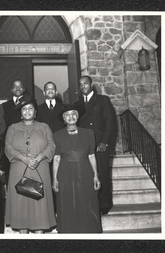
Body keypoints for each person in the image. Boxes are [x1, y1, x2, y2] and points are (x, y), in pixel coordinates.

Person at [4, 95, 56, 233]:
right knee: (20, 204)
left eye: (30, 108)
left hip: (40, 169)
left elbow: (51, 145)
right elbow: (8, 147)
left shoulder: (44, 127)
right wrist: (23, 158)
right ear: (20, 113)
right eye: (24, 109)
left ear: (35, 112)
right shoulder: (12, 128)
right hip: (18, 169)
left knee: (39, 205)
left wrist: (39, 157)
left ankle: (39, 234)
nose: (27, 111)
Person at [52, 104, 102, 233]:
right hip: (65, 172)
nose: (71, 117)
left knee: (87, 200)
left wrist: (96, 175)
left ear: (78, 117)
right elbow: (56, 158)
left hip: (85, 170)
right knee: (67, 201)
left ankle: (88, 230)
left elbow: (91, 155)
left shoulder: (88, 133)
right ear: (64, 119)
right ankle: (69, 230)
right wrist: (55, 179)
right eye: (67, 115)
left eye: (73, 114)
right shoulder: (57, 135)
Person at [76, 75, 116, 214]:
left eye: (85, 83)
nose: (83, 87)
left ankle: (104, 204)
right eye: (80, 85)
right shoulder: (78, 104)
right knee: (88, 175)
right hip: (85, 146)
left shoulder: (102, 100)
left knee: (102, 173)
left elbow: (110, 122)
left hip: (100, 144)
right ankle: (92, 203)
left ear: (91, 85)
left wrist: (104, 142)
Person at [2, 80, 29, 185]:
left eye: (20, 86)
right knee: (11, 173)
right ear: (11, 89)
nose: (18, 88)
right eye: (15, 86)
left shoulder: (30, 103)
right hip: (11, 143)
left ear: (23, 89)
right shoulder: (4, 106)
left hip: (26, 142)